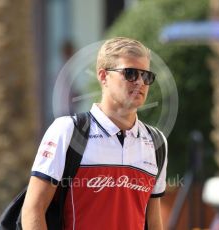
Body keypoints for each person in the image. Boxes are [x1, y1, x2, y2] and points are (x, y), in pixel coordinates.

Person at [21, 37, 168, 230]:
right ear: (103, 76)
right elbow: (33, 209)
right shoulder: (67, 130)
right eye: (130, 73)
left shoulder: (156, 141)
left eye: (146, 76)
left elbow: (154, 221)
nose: (140, 82)